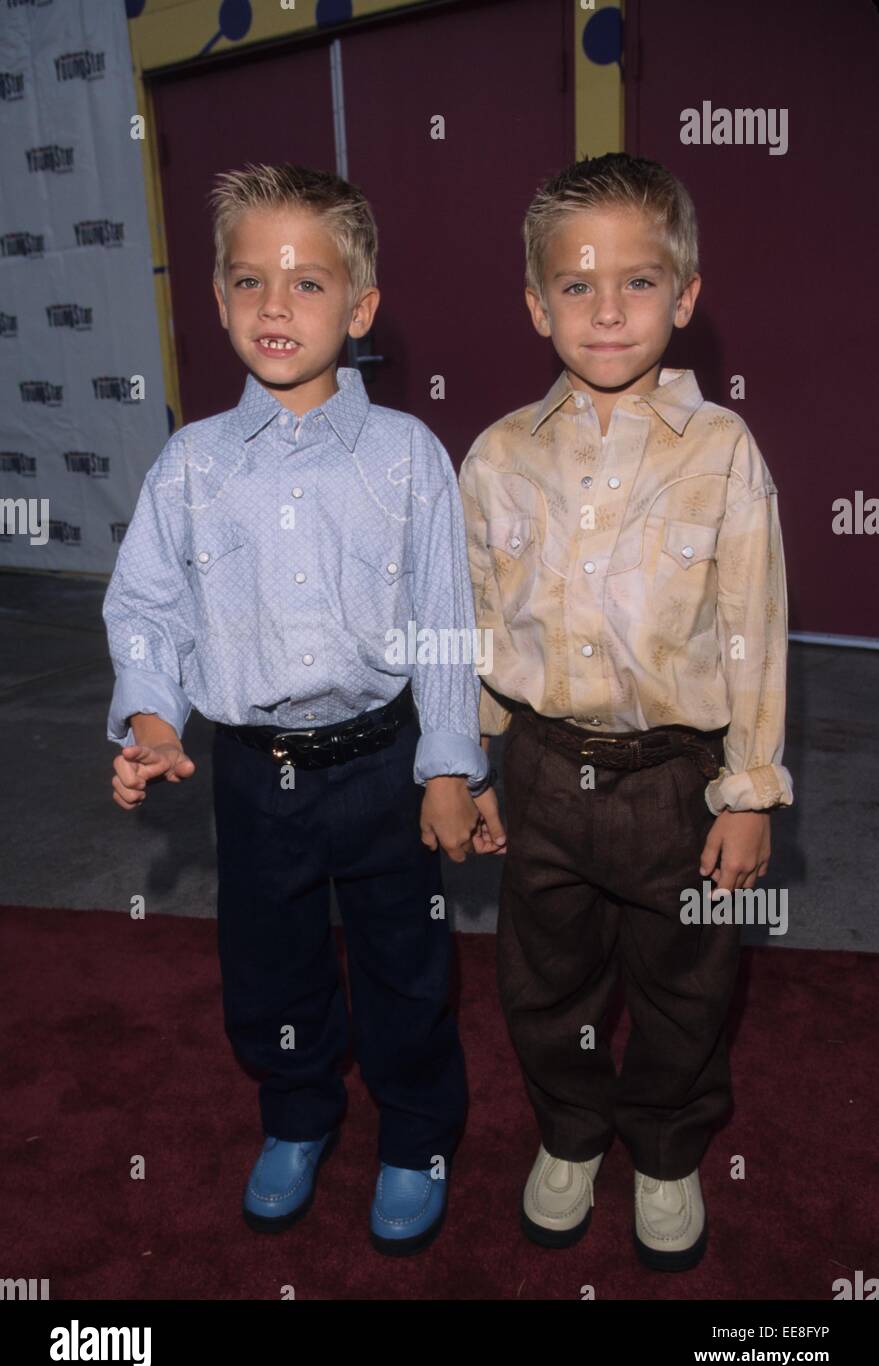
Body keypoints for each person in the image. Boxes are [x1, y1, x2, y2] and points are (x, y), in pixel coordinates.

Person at [103, 161, 498, 1257]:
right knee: (267, 963)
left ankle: (417, 1133)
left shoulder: (409, 458)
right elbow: (147, 606)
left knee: (404, 965)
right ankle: (295, 1113)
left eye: (309, 282)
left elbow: (444, 623)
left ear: (362, 309)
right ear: (219, 300)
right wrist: (150, 717)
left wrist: (453, 766)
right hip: (252, 770)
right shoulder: (190, 467)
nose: (276, 305)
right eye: (248, 280)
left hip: (384, 762)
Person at [459, 152, 793, 1270]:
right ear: (535, 301)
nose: (607, 308)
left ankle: (664, 1145)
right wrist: (464, 762)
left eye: (640, 282)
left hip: (675, 781)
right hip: (545, 774)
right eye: (576, 283)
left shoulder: (723, 454)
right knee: (543, 976)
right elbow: (479, 629)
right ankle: (568, 1130)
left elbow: (752, 628)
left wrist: (749, 792)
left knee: (688, 976)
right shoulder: (500, 456)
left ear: (687, 295)